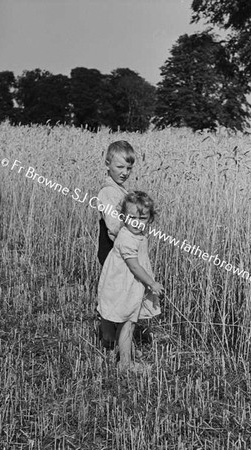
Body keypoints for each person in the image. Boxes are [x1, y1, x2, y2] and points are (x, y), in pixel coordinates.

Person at [97, 191, 164, 371]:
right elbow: (134, 266)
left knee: (121, 318)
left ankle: (110, 341)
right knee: (128, 322)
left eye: (142, 218)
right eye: (132, 217)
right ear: (123, 216)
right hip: (124, 285)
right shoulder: (127, 238)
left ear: (150, 220)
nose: (136, 222)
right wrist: (152, 283)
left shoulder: (133, 234)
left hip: (122, 283)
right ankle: (125, 363)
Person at [97, 140, 135, 266]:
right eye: (120, 167)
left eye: (129, 168)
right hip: (114, 252)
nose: (125, 172)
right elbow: (113, 226)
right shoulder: (109, 191)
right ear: (107, 164)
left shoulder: (120, 190)